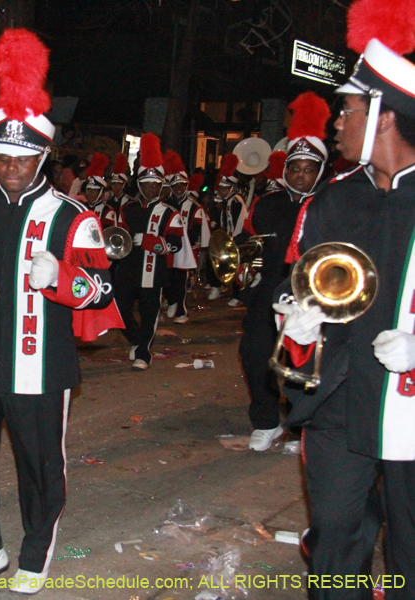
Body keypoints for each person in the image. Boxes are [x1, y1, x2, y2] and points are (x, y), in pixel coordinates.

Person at [0, 29, 122, 596]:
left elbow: (102, 292)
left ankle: (35, 552)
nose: (11, 166)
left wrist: (61, 278)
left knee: (40, 467)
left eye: (23, 156)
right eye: (2, 156)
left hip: (41, 362)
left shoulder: (72, 214)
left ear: (43, 154)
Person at [274, 3, 415, 593]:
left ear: (383, 116)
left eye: (347, 110)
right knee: (334, 543)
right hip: (337, 403)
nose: (336, 122)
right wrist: (297, 329)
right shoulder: (329, 200)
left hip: (409, 409)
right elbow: (297, 288)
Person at [239, 92, 331, 452]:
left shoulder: (330, 204)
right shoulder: (268, 203)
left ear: (320, 171)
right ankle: (266, 422)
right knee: (254, 355)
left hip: (311, 298)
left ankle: (300, 427)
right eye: (295, 167)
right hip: (268, 293)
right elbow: (248, 245)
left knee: (303, 365)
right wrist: (244, 272)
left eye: (309, 169)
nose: (301, 175)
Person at [112, 134, 185, 371]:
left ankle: (144, 352)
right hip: (128, 269)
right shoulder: (128, 209)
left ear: (161, 186)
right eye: (147, 184)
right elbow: (119, 236)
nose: (151, 189)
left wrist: (149, 242)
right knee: (119, 309)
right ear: (140, 185)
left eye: (155, 185)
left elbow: (176, 244)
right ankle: (136, 339)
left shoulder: (170, 212)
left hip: (153, 272)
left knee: (149, 312)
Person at [163, 151, 206, 324]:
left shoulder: (194, 206)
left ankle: (182, 311)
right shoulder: (166, 203)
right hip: (169, 247)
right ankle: (172, 300)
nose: (179, 189)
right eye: (176, 186)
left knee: (181, 280)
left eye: (182, 185)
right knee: (167, 278)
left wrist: (187, 243)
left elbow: (197, 229)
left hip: (186, 248)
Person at [207, 154, 246, 301]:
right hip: (225, 238)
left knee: (235, 267)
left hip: (234, 237)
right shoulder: (224, 201)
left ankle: (237, 295)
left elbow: (237, 221)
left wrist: (234, 238)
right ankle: (216, 286)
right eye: (221, 188)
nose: (222, 191)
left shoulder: (235, 200)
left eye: (225, 188)